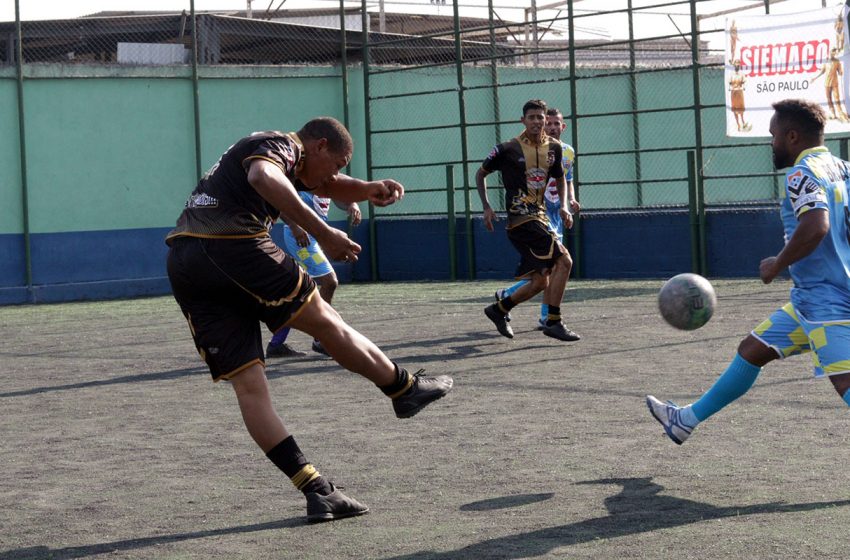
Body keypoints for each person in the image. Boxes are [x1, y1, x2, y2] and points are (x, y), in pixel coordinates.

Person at [165, 118, 453, 522]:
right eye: (337, 162)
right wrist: (324, 232)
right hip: (234, 246)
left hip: (185, 262)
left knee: (250, 387)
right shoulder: (279, 144)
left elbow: (329, 185)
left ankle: (317, 491)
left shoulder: (293, 162)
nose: (335, 174)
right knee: (325, 320)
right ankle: (403, 389)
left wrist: (369, 190)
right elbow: (263, 176)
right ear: (318, 146)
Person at [647, 99, 850, 445]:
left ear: (792, 136)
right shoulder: (842, 167)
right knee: (751, 350)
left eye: (773, 136)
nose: (770, 144)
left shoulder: (802, 173)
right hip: (812, 298)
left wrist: (778, 263)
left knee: (845, 384)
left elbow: (817, 226)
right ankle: (685, 420)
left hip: (826, 301)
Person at [477, 99, 581, 342]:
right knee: (564, 261)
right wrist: (486, 207)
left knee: (540, 281)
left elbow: (560, 179)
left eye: (540, 117)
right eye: (532, 117)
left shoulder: (554, 149)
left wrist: (564, 206)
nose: (537, 122)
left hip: (540, 217)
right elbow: (481, 173)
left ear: (546, 121)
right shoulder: (507, 149)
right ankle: (553, 321)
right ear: (522, 120)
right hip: (522, 219)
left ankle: (499, 309)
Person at [266, 193, 362, 358]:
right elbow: (277, 198)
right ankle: (321, 339)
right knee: (329, 281)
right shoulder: (300, 172)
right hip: (300, 237)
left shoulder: (324, 176)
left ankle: (276, 344)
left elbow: (337, 195)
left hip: (315, 236)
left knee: (296, 290)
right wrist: (295, 227)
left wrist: (351, 203)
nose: (338, 168)